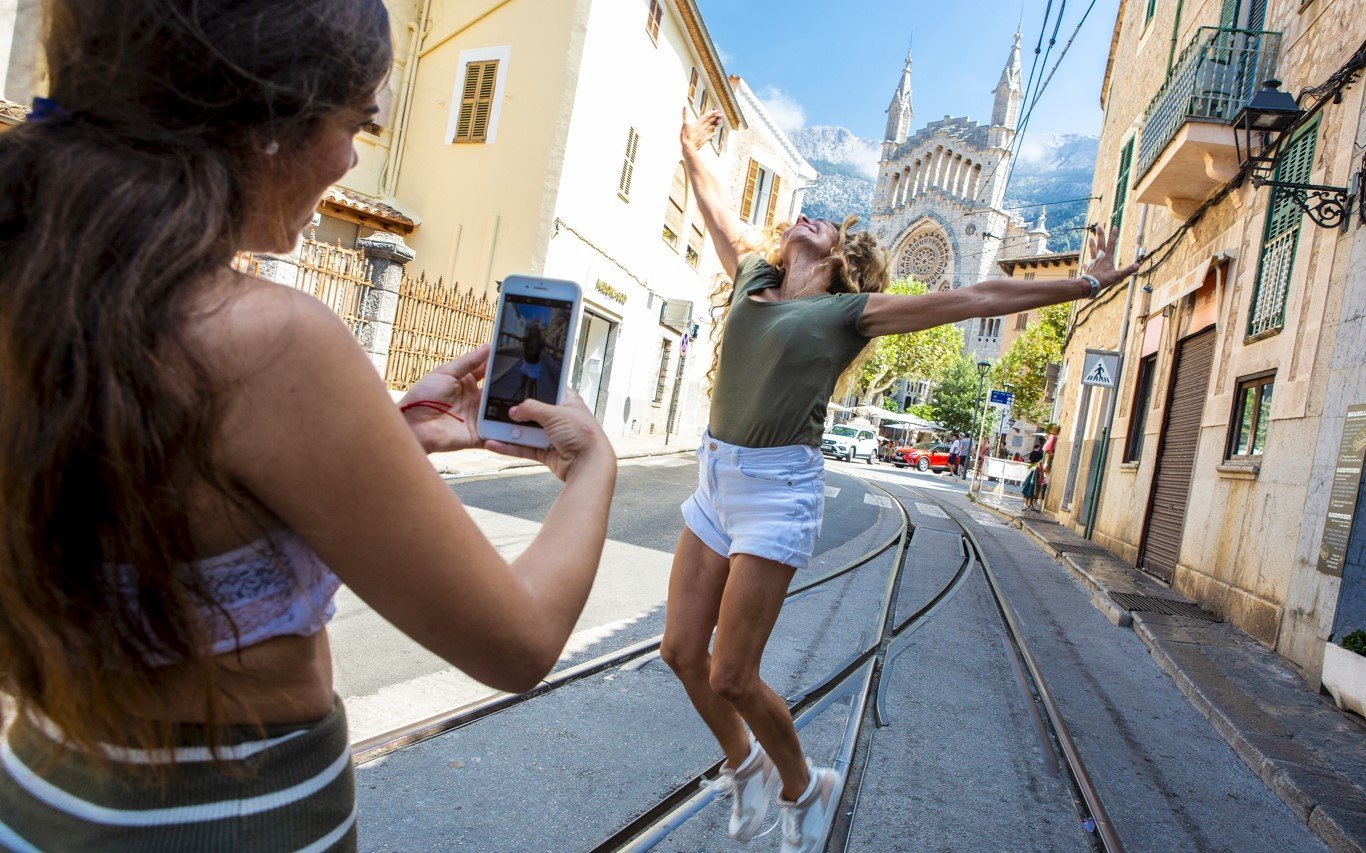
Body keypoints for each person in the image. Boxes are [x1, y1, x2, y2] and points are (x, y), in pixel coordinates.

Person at [0, 3, 616, 849]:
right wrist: (592, 468)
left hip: (38, 790)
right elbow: (520, 641)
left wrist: (381, 439)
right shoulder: (272, 338)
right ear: (266, 119)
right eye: (357, 123)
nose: (352, 157)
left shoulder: (35, 287)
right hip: (224, 821)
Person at [661, 109, 1138, 853]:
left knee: (731, 675)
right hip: (717, 477)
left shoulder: (847, 314)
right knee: (680, 652)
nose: (811, 217)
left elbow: (976, 299)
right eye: (805, 218)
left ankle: (803, 786)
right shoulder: (754, 276)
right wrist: (694, 150)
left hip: (777, 492)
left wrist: (1084, 284)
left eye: (825, 223)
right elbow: (719, 210)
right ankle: (747, 765)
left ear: (840, 258)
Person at [516, 321, 546, 401]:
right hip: (526, 364)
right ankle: (521, 400)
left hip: (534, 367)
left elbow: (547, 346)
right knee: (523, 385)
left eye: (535, 330)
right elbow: (519, 339)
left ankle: (529, 402)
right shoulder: (527, 339)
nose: (533, 331)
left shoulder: (541, 342)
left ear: (537, 331)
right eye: (532, 329)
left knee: (530, 388)